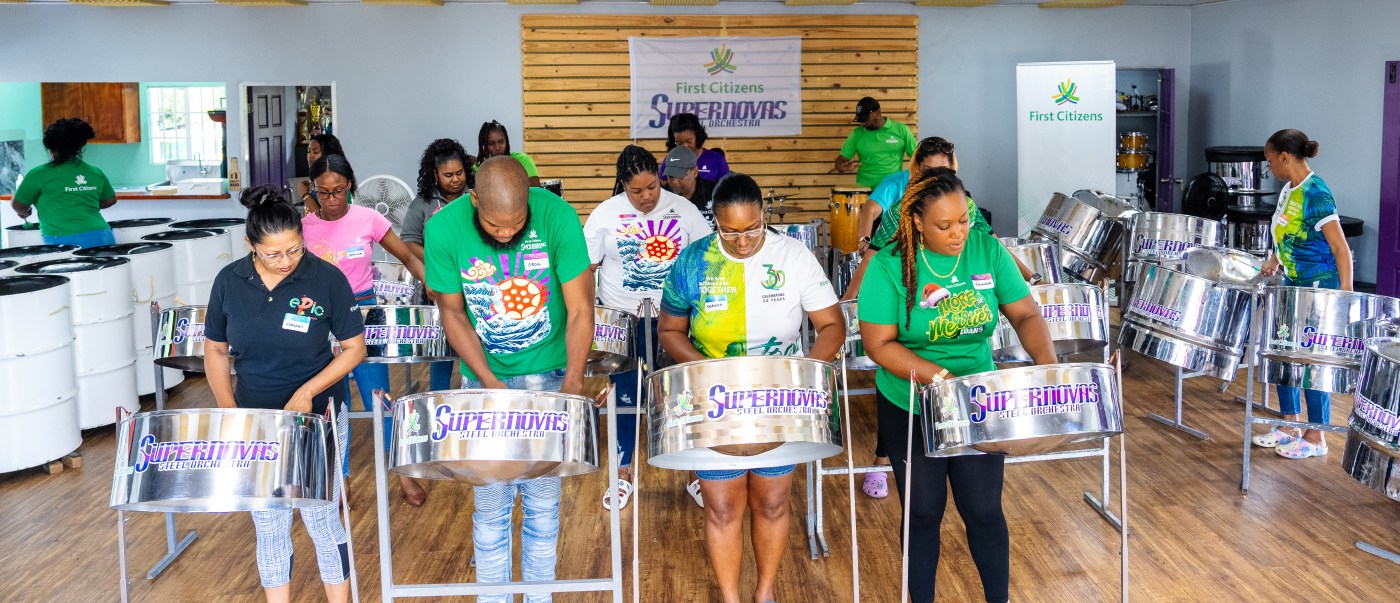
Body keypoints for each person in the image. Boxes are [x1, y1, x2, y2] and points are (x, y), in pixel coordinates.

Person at [858, 170, 1055, 603]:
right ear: (916, 223)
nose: (958, 233)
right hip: (911, 402)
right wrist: (941, 380)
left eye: (963, 220)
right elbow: (879, 344)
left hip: (979, 402)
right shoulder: (889, 265)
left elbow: (1025, 314)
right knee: (924, 512)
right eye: (944, 226)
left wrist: (1049, 369)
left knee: (984, 510)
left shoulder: (986, 250)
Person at [658, 173, 844, 603]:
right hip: (714, 402)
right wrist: (709, 373)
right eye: (730, 232)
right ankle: (731, 598)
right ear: (714, 222)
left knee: (773, 504)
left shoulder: (794, 257)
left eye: (752, 229)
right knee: (722, 508)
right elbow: (670, 330)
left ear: (764, 214)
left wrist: (807, 376)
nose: (742, 241)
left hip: (779, 399)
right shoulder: (692, 261)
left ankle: (764, 593)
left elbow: (832, 324)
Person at [424, 157, 593, 601]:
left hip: (549, 374)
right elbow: (453, 313)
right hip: (484, 376)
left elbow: (580, 310)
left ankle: (539, 596)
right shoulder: (443, 228)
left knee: (542, 503)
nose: (505, 235)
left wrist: (572, 385)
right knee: (492, 504)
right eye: (495, 226)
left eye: (516, 226)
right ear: (473, 199)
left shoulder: (557, 215)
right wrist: (489, 384)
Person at [204, 184, 366, 603]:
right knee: (269, 523)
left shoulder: (325, 277)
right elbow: (216, 351)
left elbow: (354, 349)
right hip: (257, 418)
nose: (286, 261)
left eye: (294, 250)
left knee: (322, 519)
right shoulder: (229, 281)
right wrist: (229, 411)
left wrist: (308, 391)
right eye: (273, 254)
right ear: (250, 245)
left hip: (320, 416)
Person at [584, 145, 711, 510]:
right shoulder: (604, 214)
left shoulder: (684, 211)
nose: (646, 197)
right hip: (624, 320)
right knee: (625, 399)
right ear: (622, 184)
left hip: (675, 321)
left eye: (652, 187)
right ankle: (622, 475)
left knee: (682, 397)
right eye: (636, 190)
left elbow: (706, 263)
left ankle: (695, 473)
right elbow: (587, 270)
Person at [302, 153, 428, 505]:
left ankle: (402, 474)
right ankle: (339, 478)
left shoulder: (368, 218)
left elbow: (406, 257)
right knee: (333, 401)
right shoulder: (305, 227)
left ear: (350, 187)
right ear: (315, 190)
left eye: (339, 191)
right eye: (324, 193)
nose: (331, 200)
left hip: (364, 314)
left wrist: (433, 285)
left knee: (380, 398)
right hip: (321, 319)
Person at [1252, 128, 1353, 459]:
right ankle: (1289, 424)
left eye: (1270, 161)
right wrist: (1274, 260)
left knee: (1311, 363)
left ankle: (1317, 435)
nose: (1269, 168)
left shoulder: (1317, 194)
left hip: (1319, 290)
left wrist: (1345, 297)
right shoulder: (1288, 190)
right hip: (1291, 286)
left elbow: (1341, 249)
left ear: (1284, 156)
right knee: (1284, 355)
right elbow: (1286, 234)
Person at [10, 118, 117, 248]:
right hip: (102, 235)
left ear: (50, 147)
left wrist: (25, 212)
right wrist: (82, 204)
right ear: (80, 147)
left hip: (63, 240)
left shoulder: (38, 174)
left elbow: (19, 205)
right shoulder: (94, 172)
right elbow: (110, 200)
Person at [833, 97, 917, 189]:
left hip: (892, 190)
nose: (863, 123)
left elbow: (917, 157)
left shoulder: (902, 130)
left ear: (877, 113)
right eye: (861, 120)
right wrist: (842, 167)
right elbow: (840, 160)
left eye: (865, 119)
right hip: (865, 192)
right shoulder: (856, 134)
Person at [664, 113, 729, 184]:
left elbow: (725, 189)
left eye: (689, 141)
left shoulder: (717, 159)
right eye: (679, 143)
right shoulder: (669, 160)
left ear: (697, 135)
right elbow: (664, 188)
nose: (685, 146)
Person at [475, 120, 542, 188]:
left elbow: (536, 191)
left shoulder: (523, 160)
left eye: (501, 142)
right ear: (484, 146)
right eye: (491, 143)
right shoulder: (479, 167)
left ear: (507, 141)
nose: (497, 147)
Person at [661, 146, 717, 222]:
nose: (674, 181)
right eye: (670, 176)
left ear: (695, 172)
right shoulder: (661, 197)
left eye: (680, 175)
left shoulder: (715, 194)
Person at [299, 133, 345, 214]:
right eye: (308, 151)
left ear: (328, 154)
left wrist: (305, 195)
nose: (310, 155)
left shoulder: (334, 181)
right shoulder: (317, 177)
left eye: (315, 152)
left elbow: (324, 217)